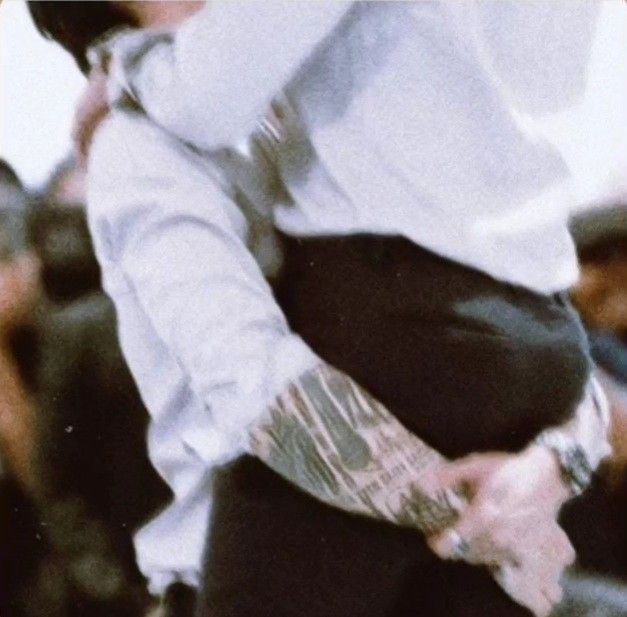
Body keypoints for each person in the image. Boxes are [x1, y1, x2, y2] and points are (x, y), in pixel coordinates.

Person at [29, 3, 613, 616]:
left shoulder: (315, 109)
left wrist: (552, 468)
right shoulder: (141, 145)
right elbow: (261, 390)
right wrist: (492, 524)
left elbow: (520, 322)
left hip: (418, 546)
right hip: (264, 561)